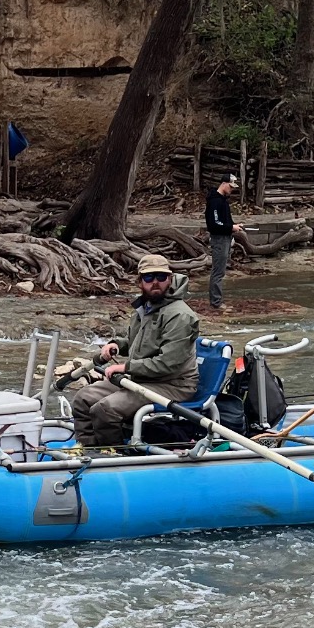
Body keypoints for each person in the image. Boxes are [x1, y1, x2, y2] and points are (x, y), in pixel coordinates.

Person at [71, 253, 199, 450]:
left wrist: (125, 366)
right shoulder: (146, 308)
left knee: (105, 410)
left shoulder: (180, 315)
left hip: (172, 384)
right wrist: (116, 345)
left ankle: (113, 453)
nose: (155, 282)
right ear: (139, 281)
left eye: (161, 277)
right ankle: (89, 448)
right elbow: (136, 342)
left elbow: (167, 363)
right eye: (149, 278)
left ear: (170, 279)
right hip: (143, 379)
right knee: (83, 399)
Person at [205, 172, 245, 310]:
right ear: (224, 184)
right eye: (231, 187)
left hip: (226, 237)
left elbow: (225, 221)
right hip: (219, 239)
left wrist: (235, 226)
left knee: (221, 270)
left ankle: (217, 300)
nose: (232, 190)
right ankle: (216, 302)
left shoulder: (223, 201)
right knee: (218, 271)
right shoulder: (215, 201)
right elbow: (214, 224)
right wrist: (230, 227)